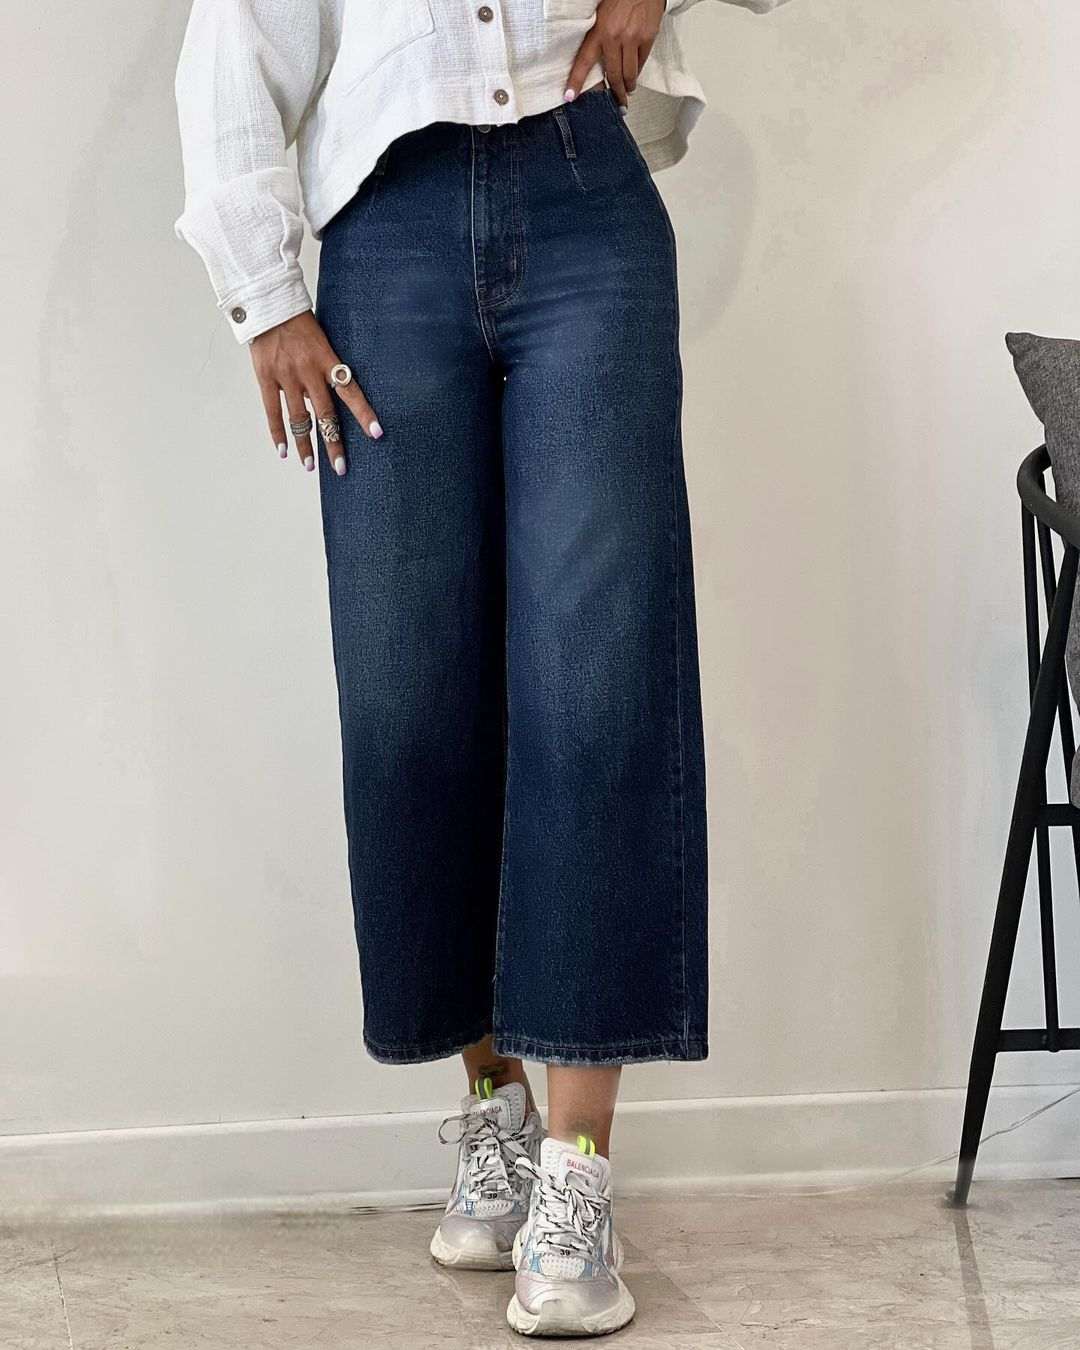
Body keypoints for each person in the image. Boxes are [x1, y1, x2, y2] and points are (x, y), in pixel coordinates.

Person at [175, 0, 787, 1336]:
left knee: (596, 684)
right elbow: (238, 36)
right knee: (414, 693)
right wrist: (266, 297)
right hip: (385, 225)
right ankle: (493, 1113)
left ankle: (577, 1177)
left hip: (585, 202)